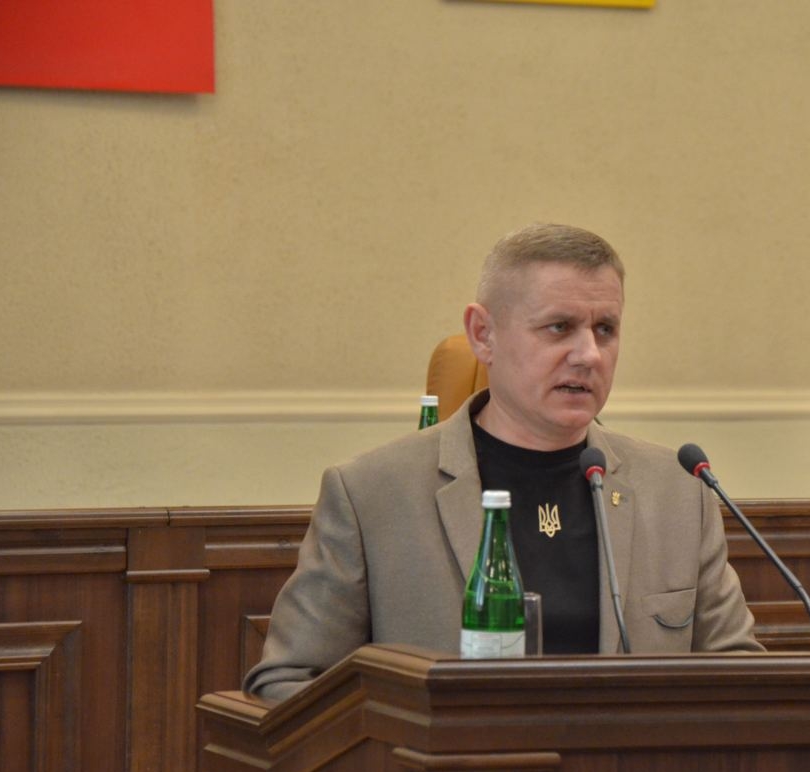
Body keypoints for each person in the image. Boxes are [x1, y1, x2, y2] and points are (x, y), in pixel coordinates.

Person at [244, 223, 761, 701]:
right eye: (559, 327)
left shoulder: (678, 491)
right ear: (483, 334)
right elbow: (286, 684)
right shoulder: (371, 495)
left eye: (605, 329)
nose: (589, 355)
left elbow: (744, 679)